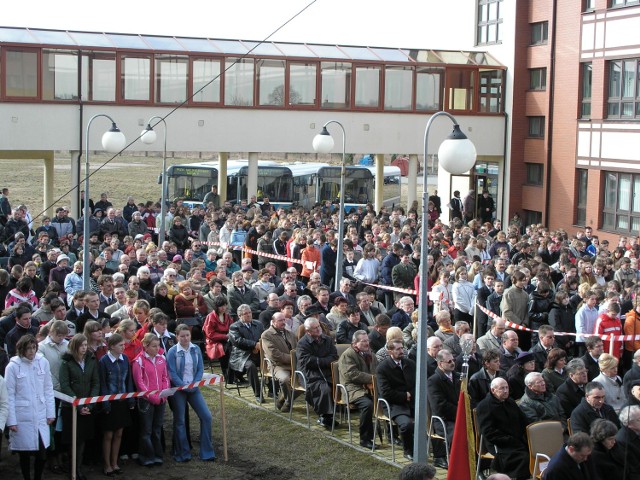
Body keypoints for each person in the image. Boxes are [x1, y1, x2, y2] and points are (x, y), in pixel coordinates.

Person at [5, 335, 55, 480]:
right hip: (23, 416)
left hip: (40, 414)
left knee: (42, 453)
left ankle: (37, 478)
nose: (31, 351)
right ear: (22, 349)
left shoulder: (42, 362)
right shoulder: (13, 367)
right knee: (24, 453)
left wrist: (50, 413)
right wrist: (12, 421)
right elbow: (9, 394)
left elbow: (48, 388)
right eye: (28, 348)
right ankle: (27, 477)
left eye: (34, 348)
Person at [166, 324, 215, 462]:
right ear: (176, 337)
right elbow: (172, 373)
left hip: (194, 388)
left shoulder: (196, 349)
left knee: (206, 417)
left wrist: (195, 384)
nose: (185, 338)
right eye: (182, 336)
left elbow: (199, 368)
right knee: (180, 420)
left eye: (187, 335)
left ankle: (206, 451)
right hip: (178, 390)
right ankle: (182, 453)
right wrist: (184, 386)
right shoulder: (172, 352)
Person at [59, 333, 100, 480]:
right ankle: (72, 469)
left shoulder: (91, 360)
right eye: (81, 346)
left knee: (82, 440)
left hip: (87, 406)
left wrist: (90, 404)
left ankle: (78, 468)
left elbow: (95, 383)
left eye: (85, 345)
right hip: (71, 407)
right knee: (72, 440)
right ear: (75, 347)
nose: (84, 348)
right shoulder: (66, 363)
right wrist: (76, 404)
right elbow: (64, 385)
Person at [475, 378, 530, 480]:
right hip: (499, 443)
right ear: (493, 390)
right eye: (502, 388)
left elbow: (523, 420)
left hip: (517, 439)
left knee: (533, 450)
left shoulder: (510, 401)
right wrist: (510, 439)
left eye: (507, 387)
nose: (505, 391)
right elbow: (488, 432)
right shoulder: (484, 406)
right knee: (523, 457)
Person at [98, 333, 134, 476]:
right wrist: (106, 403)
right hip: (110, 402)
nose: (123, 347)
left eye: (123, 345)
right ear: (111, 346)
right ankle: (106, 464)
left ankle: (115, 462)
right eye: (120, 345)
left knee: (119, 433)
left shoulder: (125, 359)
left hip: (123, 401)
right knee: (108, 434)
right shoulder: (104, 361)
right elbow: (103, 383)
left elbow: (128, 381)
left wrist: (130, 399)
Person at [131, 333, 170, 467]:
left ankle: (158, 455)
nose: (157, 348)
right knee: (146, 430)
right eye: (154, 346)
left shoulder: (161, 358)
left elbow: (165, 377)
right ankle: (146, 456)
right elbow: (139, 382)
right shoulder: (139, 361)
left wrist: (164, 394)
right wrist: (152, 397)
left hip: (161, 399)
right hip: (146, 401)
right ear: (145, 346)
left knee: (157, 428)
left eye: (158, 345)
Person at [376, 339, 417, 461]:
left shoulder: (410, 364)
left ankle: (438, 455)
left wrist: (411, 395)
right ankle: (408, 450)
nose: (401, 351)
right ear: (389, 352)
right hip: (394, 404)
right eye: (398, 349)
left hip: (413, 401)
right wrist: (405, 396)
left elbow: (417, 383)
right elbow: (385, 392)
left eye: (402, 348)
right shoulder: (382, 368)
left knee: (429, 419)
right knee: (406, 424)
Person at [338, 329, 377, 449]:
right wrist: (373, 379)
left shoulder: (370, 353)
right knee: (367, 405)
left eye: (367, 340)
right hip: (352, 389)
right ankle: (365, 439)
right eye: (363, 341)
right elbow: (351, 374)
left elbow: (378, 368)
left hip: (369, 387)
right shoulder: (348, 355)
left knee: (390, 398)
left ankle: (393, 435)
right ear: (355, 343)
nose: (367, 343)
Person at [297, 317, 339, 429]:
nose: (318, 329)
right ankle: (326, 416)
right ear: (308, 331)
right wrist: (324, 360)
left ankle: (329, 415)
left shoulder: (327, 339)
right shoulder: (302, 343)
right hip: (310, 373)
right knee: (324, 388)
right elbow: (306, 361)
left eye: (318, 326)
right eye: (315, 328)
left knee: (337, 385)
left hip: (327, 371)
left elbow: (334, 356)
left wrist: (320, 361)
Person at [427, 349, 460, 469]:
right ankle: (457, 465)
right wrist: (460, 412)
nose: (452, 363)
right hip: (443, 420)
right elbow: (439, 406)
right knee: (458, 435)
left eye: (453, 360)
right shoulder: (433, 381)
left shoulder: (458, 376)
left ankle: (478, 465)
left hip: (459, 416)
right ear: (440, 364)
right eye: (449, 361)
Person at [261, 311, 297, 411]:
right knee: (284, 379)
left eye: (284, 320)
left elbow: (298, 349)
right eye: (280, 320)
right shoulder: (266, 335)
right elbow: (274, 355)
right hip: (277, 365)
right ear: (273, 322)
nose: (283, 322)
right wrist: (293, 358)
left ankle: (282, 398)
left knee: (307, 379)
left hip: (294, 365)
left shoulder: (290, 334)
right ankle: (289, 403)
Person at [228, 304, 265, 403]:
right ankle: (258, 394)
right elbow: (238, 341)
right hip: (241, 355)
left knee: (270, 361)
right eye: (245, 313)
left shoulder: (258, 324)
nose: (249, 315)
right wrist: (254, 345)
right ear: (239, 316)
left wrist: (258, 346)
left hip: (257, 352)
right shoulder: (234, 327)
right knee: (251, 366)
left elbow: (264, 337)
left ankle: (272, 389)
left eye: (250, 312)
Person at [202, 295, 233, 377]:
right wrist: (225, 336)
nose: (223, 308)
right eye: (221, 306)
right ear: (216, 307)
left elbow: (232, 328)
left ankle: (235, 374)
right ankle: (227, 375)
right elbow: (210, 334)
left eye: (224, 305)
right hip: (214, 342)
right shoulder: (211, 317)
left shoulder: (228, 317)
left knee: (234, 348)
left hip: (226, 340)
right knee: (225, 350)